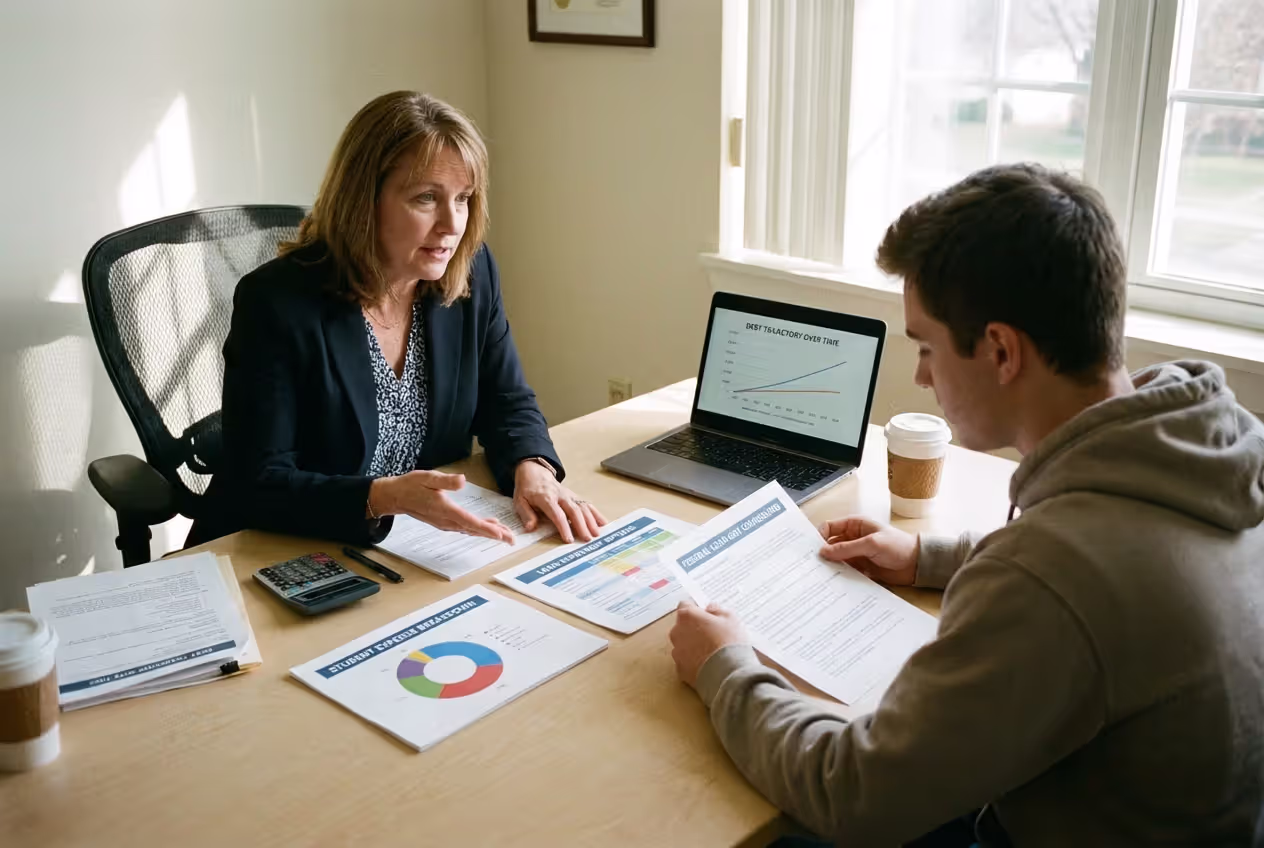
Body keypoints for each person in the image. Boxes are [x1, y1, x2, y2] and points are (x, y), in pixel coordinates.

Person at [668, 164, 1264, 846]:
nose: (921, 375)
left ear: (1001, 350)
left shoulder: (1051, 576)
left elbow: (852, 793)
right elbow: (1107, 578)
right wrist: (930, 557)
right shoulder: (1210, 453)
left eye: (926, 347)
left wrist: (725, 667)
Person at [188, 92, 606, 549]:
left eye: (463, 198)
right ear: (364, 200)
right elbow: (261, 481)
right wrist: (382, 498)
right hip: (281, 546)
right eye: (426, 198)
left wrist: (533, 466)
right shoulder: (276, 301)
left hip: (415, 545)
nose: (452, 224)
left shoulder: (471, 271)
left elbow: (506, 399)